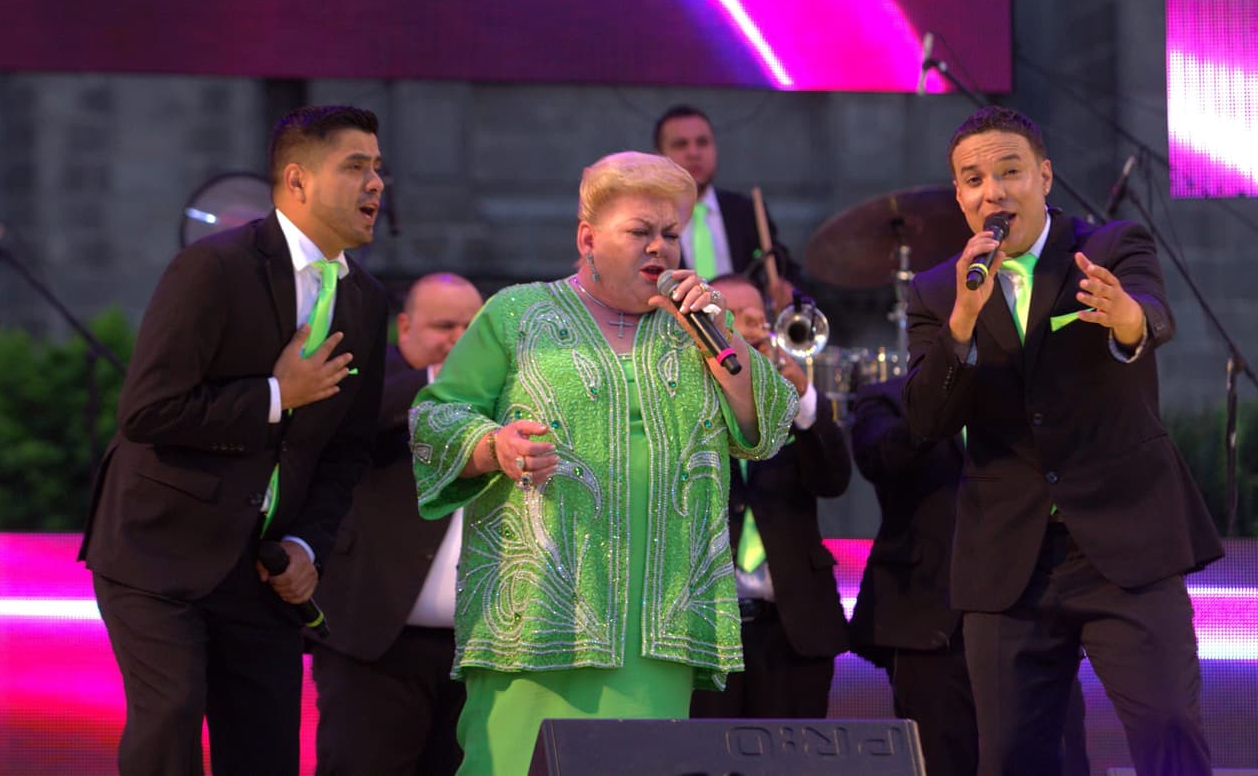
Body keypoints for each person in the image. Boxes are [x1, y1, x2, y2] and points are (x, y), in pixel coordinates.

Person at [409, 151, 798, 775]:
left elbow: (769, 429)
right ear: (587, 238)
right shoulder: (517, 315)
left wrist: (718, 334)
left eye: (670, 233)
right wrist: (494, 446)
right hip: (538, 615)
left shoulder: (698, 327)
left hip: (661, 620)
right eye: (640, 231)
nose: (659, 247)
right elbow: (435, 418)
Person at [902, 105, 1223, 775]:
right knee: (1012, 756)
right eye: (974, 180)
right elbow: (927, 419)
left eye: (1010, 172)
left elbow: (1151, 317)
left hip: (1125, 540)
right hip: (1009, 557)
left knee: (1168, 728)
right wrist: (962, 321)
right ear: (959, 196)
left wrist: (1127, 318)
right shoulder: (937, 292)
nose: (993, 192)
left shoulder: (1108, 247)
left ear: (1044, 177)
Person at [79, 105, 390, 775]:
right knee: (170, 721)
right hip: (159, 549)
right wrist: (277, 396)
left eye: (378, 168)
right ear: (297, 180)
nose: (376, 184)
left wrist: (307, 544)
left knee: (265, 748)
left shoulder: (366, 299)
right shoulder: (213, 267)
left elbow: (347, 449)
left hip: (263, 568)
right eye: (355, 167)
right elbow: (148, 411)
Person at [850, 375, 1090, 776]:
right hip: (932, 629)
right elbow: (880, 459)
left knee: (1057, 758)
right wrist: (943, 394)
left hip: (1034, 617)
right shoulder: (887, 397)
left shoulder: (1033, 387)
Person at [309, 272, 483, 775]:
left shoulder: (502, 389)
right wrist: (440, 380)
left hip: (476, 652)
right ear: (405, 327)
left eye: (473, 328)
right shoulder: (371, 376)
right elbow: (345, 420)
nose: (459, 340)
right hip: (376, 642)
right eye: (444, 326)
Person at [689, 273, 852, 719]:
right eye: (737, 317)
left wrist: (803, 398)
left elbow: (834, 480)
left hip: (792, 627)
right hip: (708, 630)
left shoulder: (789, 400)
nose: (754, 328)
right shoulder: (685, 399)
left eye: (758, 317)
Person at [653, 104, 799, 307]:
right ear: (659, 156)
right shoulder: (650, 218)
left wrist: (786, 288)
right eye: (680, 144)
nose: (694, 153)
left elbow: (782, 267)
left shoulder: (746, 211)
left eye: (702, 143)